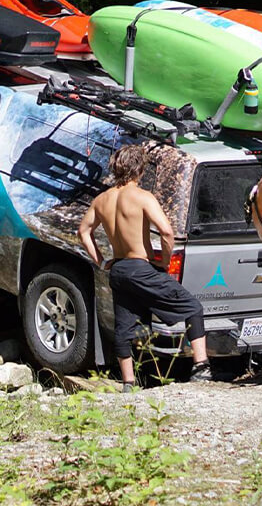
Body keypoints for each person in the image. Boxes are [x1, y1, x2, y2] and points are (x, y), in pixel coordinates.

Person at [77, 143, 210, 391]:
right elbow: (167, 231)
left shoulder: (102, 200)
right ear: (139, 170)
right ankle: (201, 366)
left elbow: (83, 231)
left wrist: (101, 261)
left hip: (119, 270)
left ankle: (128, 383)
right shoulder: (142, 197)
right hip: (140, 267)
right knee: (193, 307)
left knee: (124, 327)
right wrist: (165, 261)